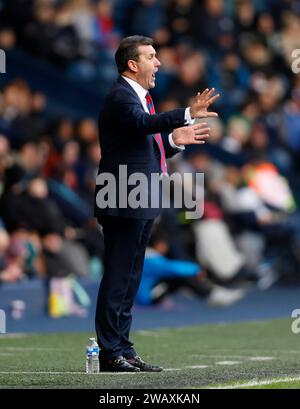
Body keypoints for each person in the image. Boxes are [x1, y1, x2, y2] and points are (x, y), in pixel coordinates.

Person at [94, 35, 220, 372]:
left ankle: (122, 347)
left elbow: (143, 142)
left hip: (138, 198)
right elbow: (140, 125)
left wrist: (173, 141)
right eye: (151, 56)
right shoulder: (122, 96)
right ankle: (110, 353)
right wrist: (184, 114)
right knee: (120, 277)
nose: (159, 63)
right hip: (122, 198)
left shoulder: (140, 99)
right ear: (132, 64)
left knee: (131, 278)